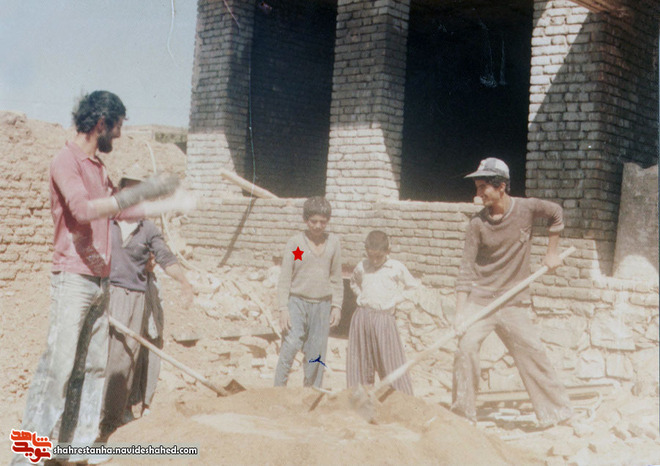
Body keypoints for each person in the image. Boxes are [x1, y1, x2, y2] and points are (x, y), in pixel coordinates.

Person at [13, 91, 179, 465]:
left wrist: (153, 197)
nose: (117, 136)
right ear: (101, 123)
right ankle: (27, 456)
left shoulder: (99, 169)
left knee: (91, 367)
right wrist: (129, 198)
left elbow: (116, 213)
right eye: (116, 127)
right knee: (58, 368)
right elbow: (82, 210)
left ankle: (77, 448)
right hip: (73, 278)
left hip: (99, 280)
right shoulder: (66, 161)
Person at [451, 157, 572, 427]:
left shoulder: (526, 209)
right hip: (481, 301)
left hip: (513, 301)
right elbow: (465, 270)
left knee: (533, 352)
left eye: (483, 187)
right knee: (465, 348)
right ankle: (462, 417)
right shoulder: (477, 224)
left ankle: (558, 414)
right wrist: (459, 314)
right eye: (477, 187)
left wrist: (551, 252)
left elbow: (556, 212)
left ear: (501, 186)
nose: (478, 194)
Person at [98, 175, 194, 441]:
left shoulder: (148, 229)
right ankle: (89, 415)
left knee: (122, 360)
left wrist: (184, 282)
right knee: (96, 355)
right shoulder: (106, 222)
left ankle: (110, 422)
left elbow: (165, 257)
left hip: (133, 297)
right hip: (105, 292)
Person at [274, 197, 343, 388]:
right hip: (297, 303)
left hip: (322, 305)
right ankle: (277, 392)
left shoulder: (333, 243)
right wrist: (283, 308)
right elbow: (285, 278)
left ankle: (312, 393)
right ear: (305, 220)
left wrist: (337, 306)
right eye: (313, 221)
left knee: (316, 354)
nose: (318, 226)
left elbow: (336, 278)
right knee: (290, 346)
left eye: (323, 222)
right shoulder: (296, 243)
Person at [347, 230, 419, 395]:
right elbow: (353, 283)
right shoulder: (362, 266)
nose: (374, 261)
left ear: (388, 251)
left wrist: (395, 301)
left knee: (390, 359)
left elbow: (413, 287)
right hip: (362, 317)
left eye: (378, 257)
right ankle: (360, 397)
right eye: (371, 256)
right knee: (360, 361)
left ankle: (399, 397)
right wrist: (361, 296)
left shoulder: (396, 267)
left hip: (384, 319)